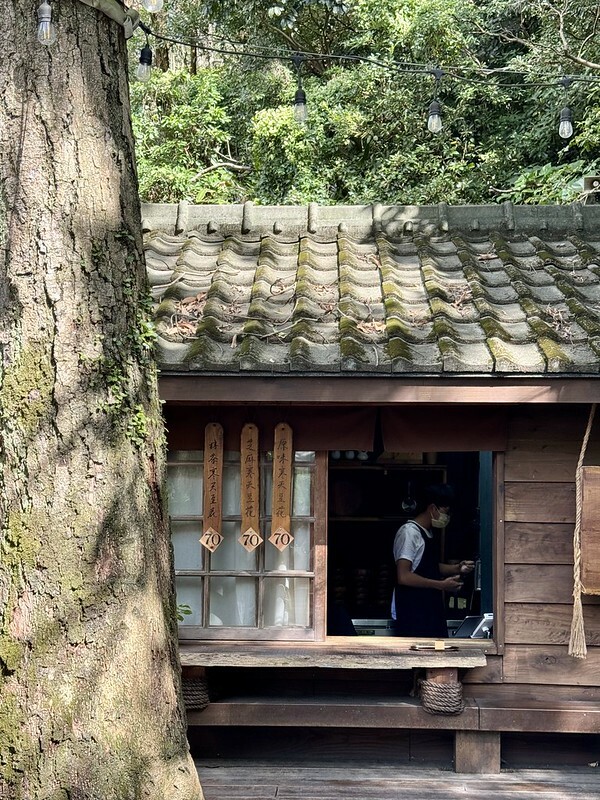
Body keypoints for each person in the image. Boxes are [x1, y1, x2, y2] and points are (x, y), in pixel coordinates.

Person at [391, 484, 474, 638]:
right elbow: (404, 576)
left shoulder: (427, 532)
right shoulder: (409, 533)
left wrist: (457, 568)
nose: (447, 517)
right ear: (432, 508)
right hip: (413, 611)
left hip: (430, 608)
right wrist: (441, 585)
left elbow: (430, 567)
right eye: (445, 512)